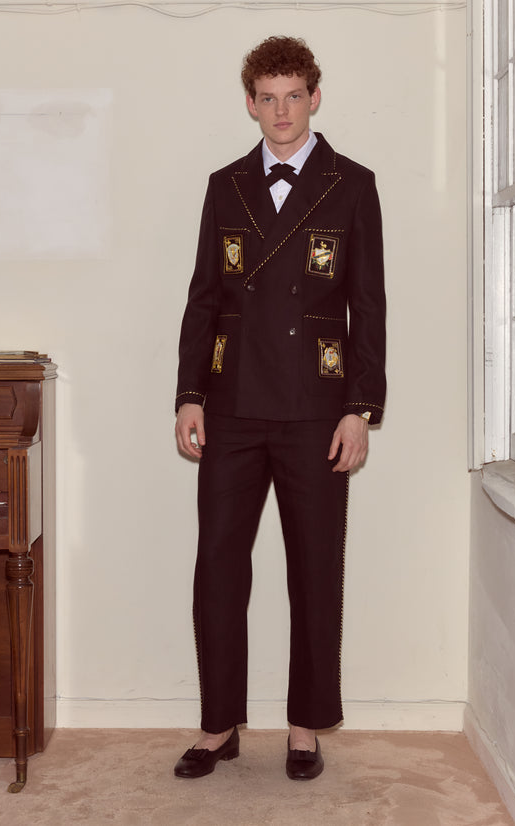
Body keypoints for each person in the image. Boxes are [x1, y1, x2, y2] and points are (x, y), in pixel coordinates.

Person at [173, 35, 386, 780]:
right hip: (230, 408)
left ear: (315, 96)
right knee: (219, 569)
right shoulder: (224, 185)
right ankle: (218, 723)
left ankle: (304, 724)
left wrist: (360, 408)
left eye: (293, 95)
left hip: (316, 409)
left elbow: (369, 306)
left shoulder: (352, 184)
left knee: (314, 570)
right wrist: (189, 396)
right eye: (267, 97)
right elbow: (204, 298)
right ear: (250, 103)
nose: (281, 110)